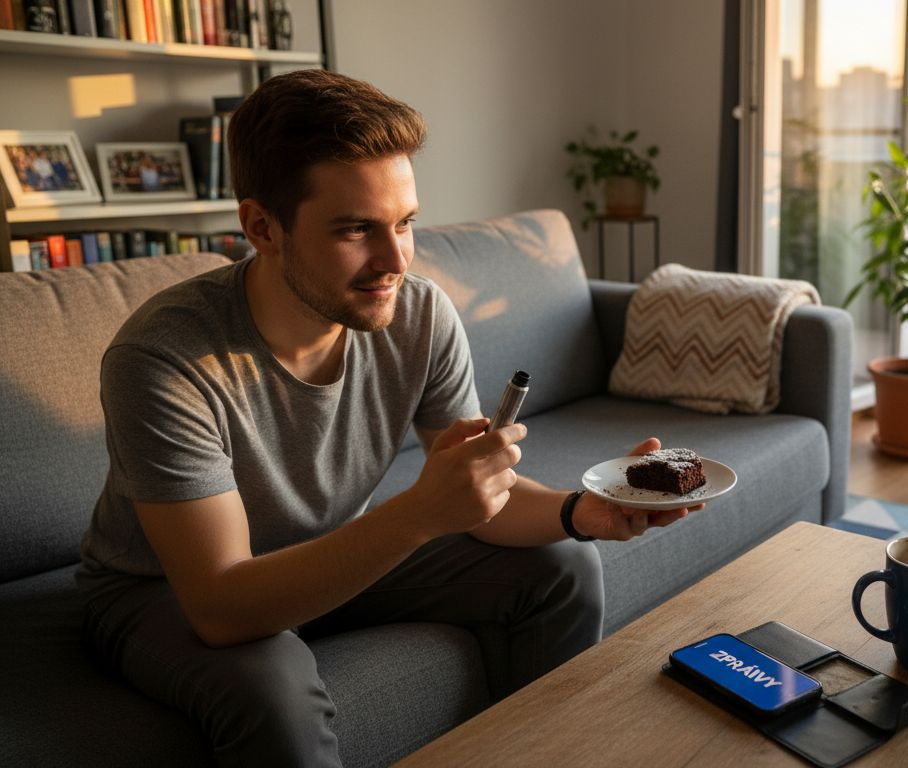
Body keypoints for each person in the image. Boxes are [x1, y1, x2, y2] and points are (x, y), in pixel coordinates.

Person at [75, 68, 700, 767]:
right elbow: (221, 608)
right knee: (272, 691)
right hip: (166, 592)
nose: (395, 259)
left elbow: (479, 500)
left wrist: (584, 512)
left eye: (405, 223)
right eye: (356, 230)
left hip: (331, 547)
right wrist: (418, 514)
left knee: (563, 564)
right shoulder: (164, 358)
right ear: (262, 227)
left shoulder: (419, 314)